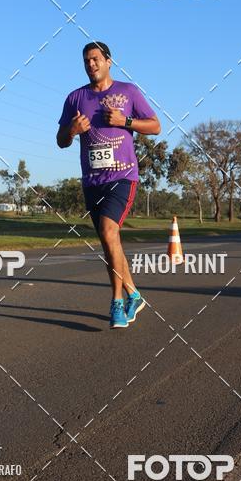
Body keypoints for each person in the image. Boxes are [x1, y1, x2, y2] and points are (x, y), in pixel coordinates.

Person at [56, 41, 161, 328]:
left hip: (123, 176)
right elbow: (61, 141)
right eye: (86, 61)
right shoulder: (75, 98)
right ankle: (134, 294)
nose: (91, 64)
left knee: (107, 230)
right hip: (92, 181)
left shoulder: (128, 92)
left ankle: (116, 303)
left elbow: (155, 125)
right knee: (109, 241)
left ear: (109, 61)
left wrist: (126, 121)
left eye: (96, 59)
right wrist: (72, 130)